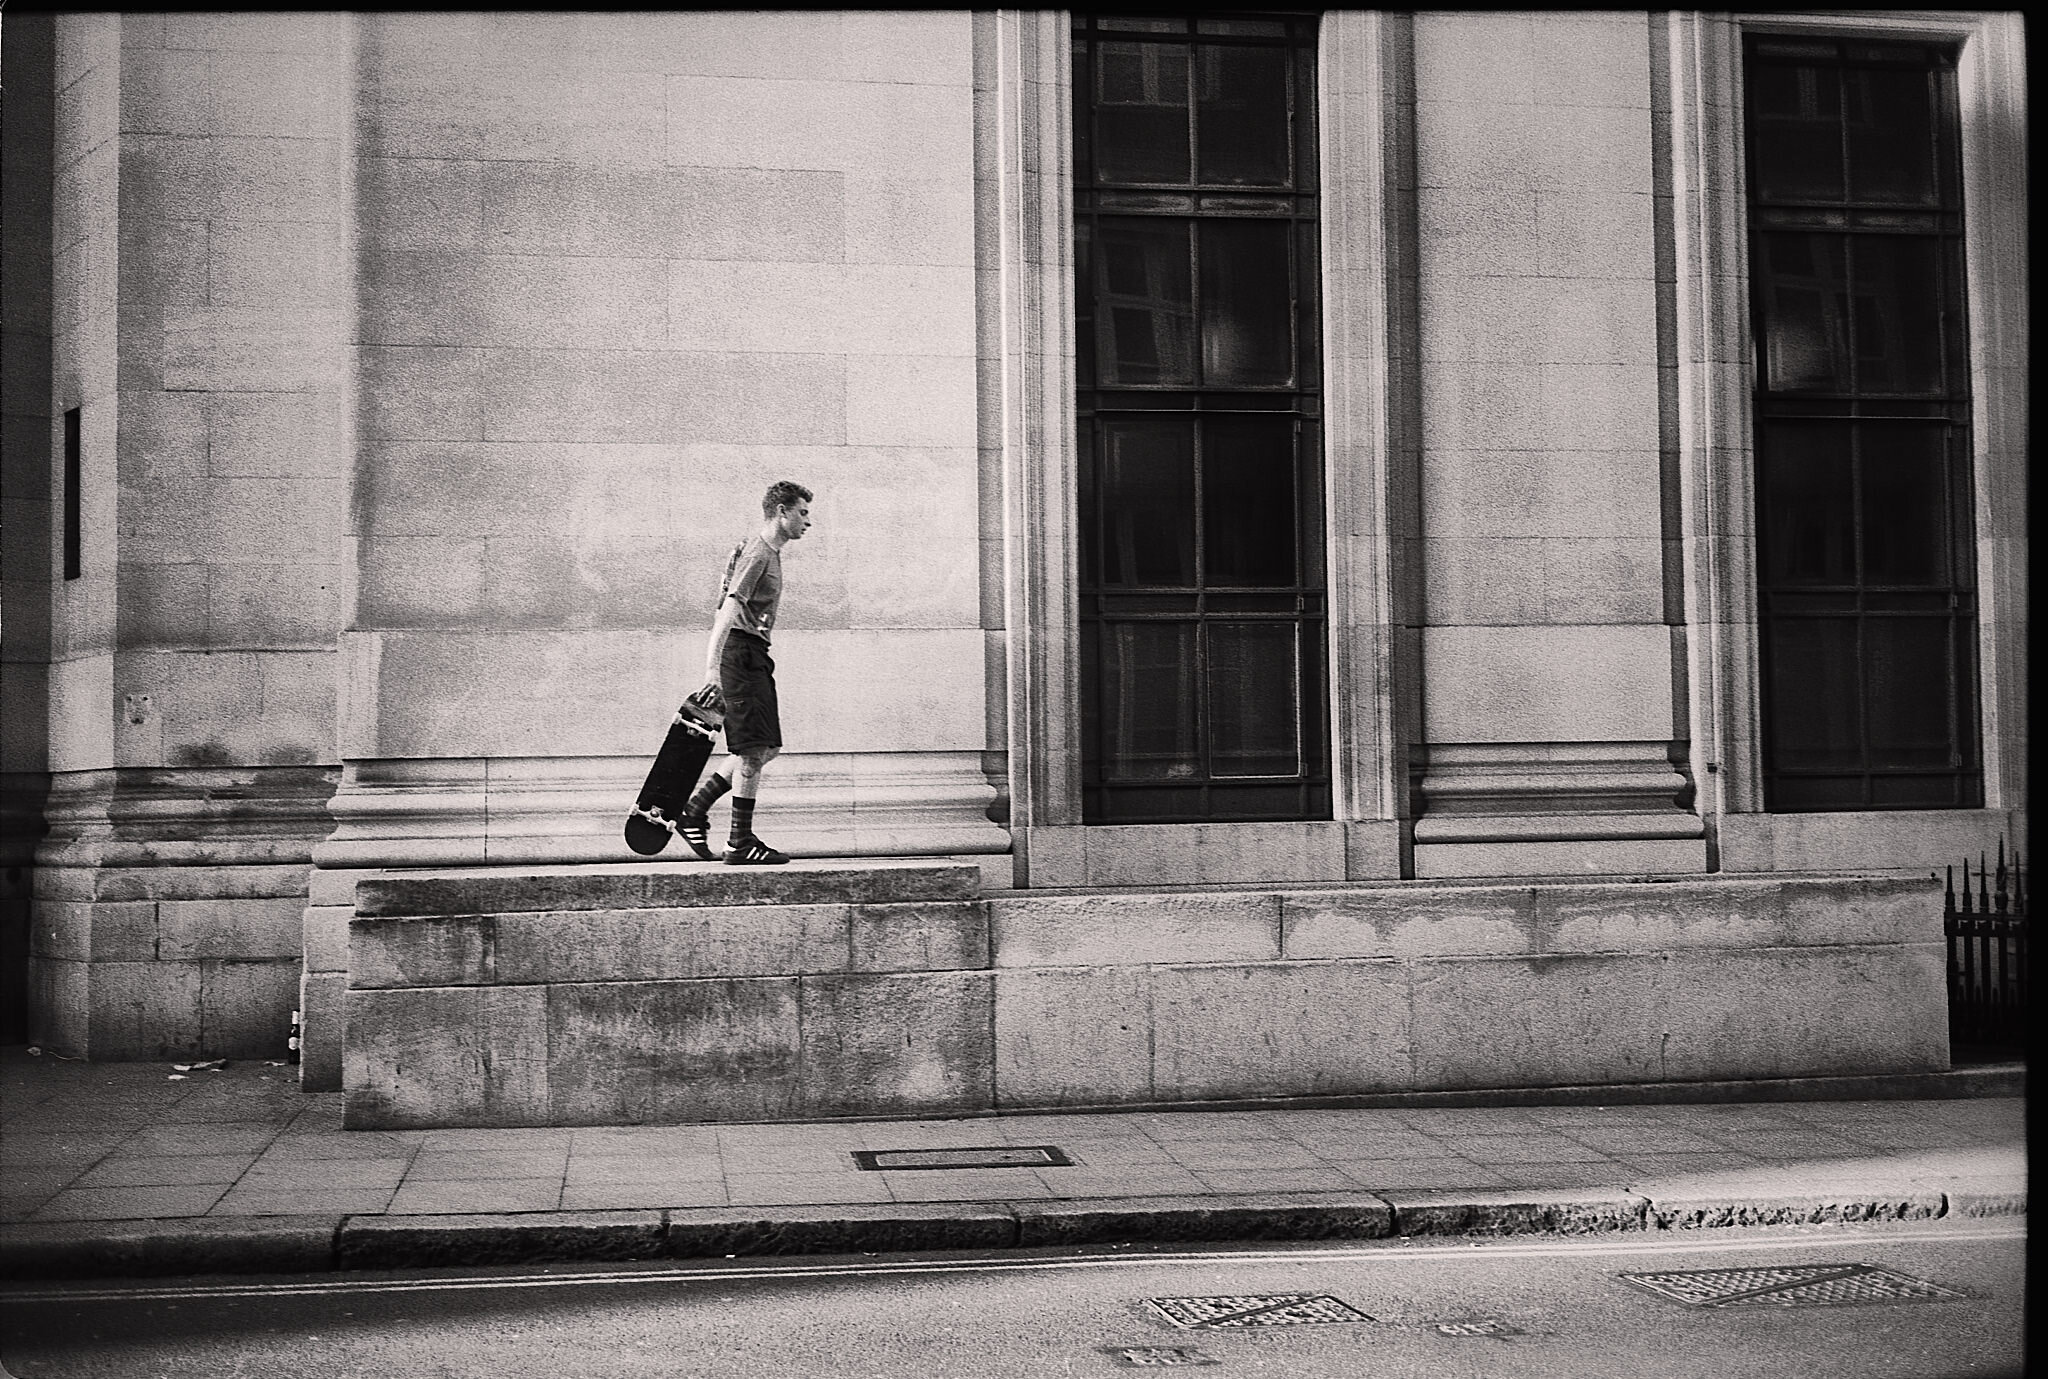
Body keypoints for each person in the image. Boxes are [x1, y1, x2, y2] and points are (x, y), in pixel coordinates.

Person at [678, 480, 813, 865]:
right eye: (803, 513)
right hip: (739, 654)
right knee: (752, 752)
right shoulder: (758, 553)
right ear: (782, 511)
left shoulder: (769, 552)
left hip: (754, 654)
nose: (808, 522)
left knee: (766, 748)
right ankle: (740, 842)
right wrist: (712, 670)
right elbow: (727, 611)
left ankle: (694, 810)